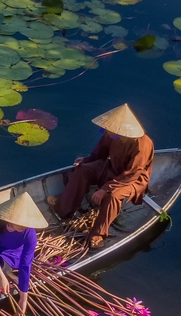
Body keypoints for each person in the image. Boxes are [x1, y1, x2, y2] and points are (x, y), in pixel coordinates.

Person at [47, 104, 154, 248]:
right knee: (83, 170)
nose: (108, 133)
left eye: (112, 132)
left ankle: (98, 234)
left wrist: (105, 188)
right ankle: (64, 209)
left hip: (133, 180)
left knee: (113, 196)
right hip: (112, 168)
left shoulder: (142, 145)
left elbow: (132, 174)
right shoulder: (111, 134)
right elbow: (100, 153)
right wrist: (85, 161)